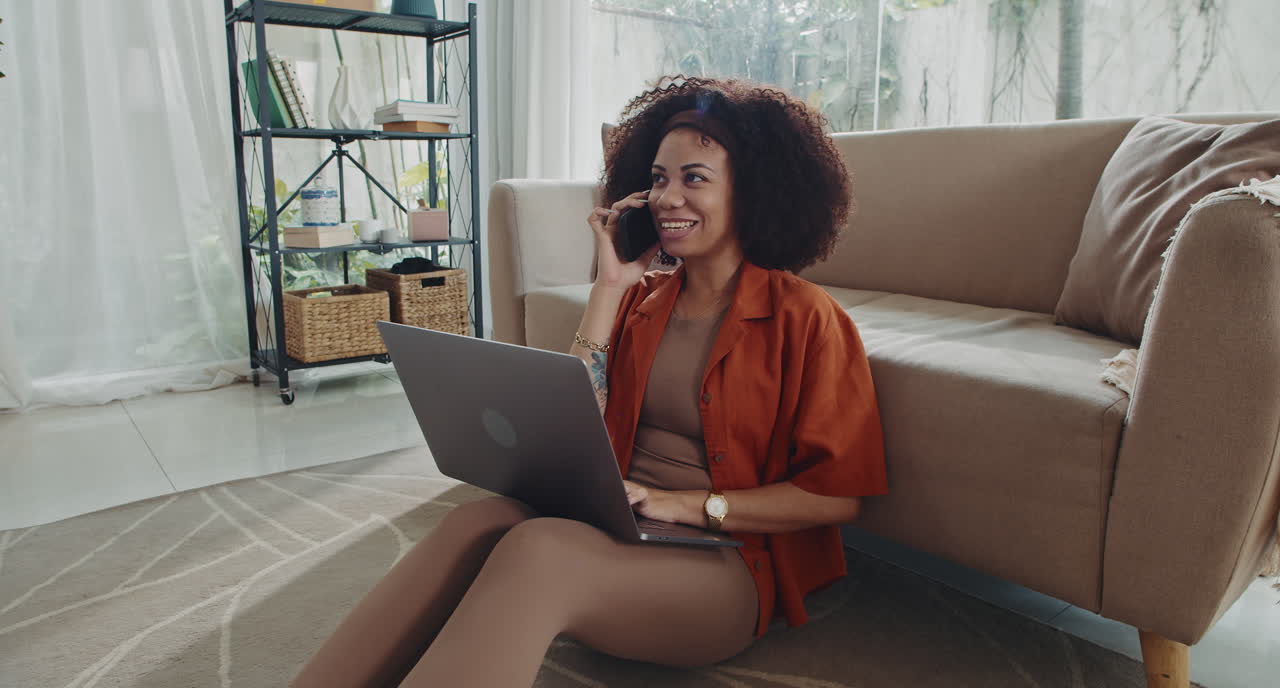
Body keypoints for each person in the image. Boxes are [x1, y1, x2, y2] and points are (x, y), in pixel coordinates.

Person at [290, 75, 889, 688]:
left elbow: (836, 497)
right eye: (657, 178)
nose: (667, 197)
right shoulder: (644, 300)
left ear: (754, 192)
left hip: (724, 562)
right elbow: (573, 417)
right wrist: (609, 287)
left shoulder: (809, 318)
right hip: (616, 518)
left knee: (538, 553)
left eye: (695, 178)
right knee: (472, 523)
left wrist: (683, 504)